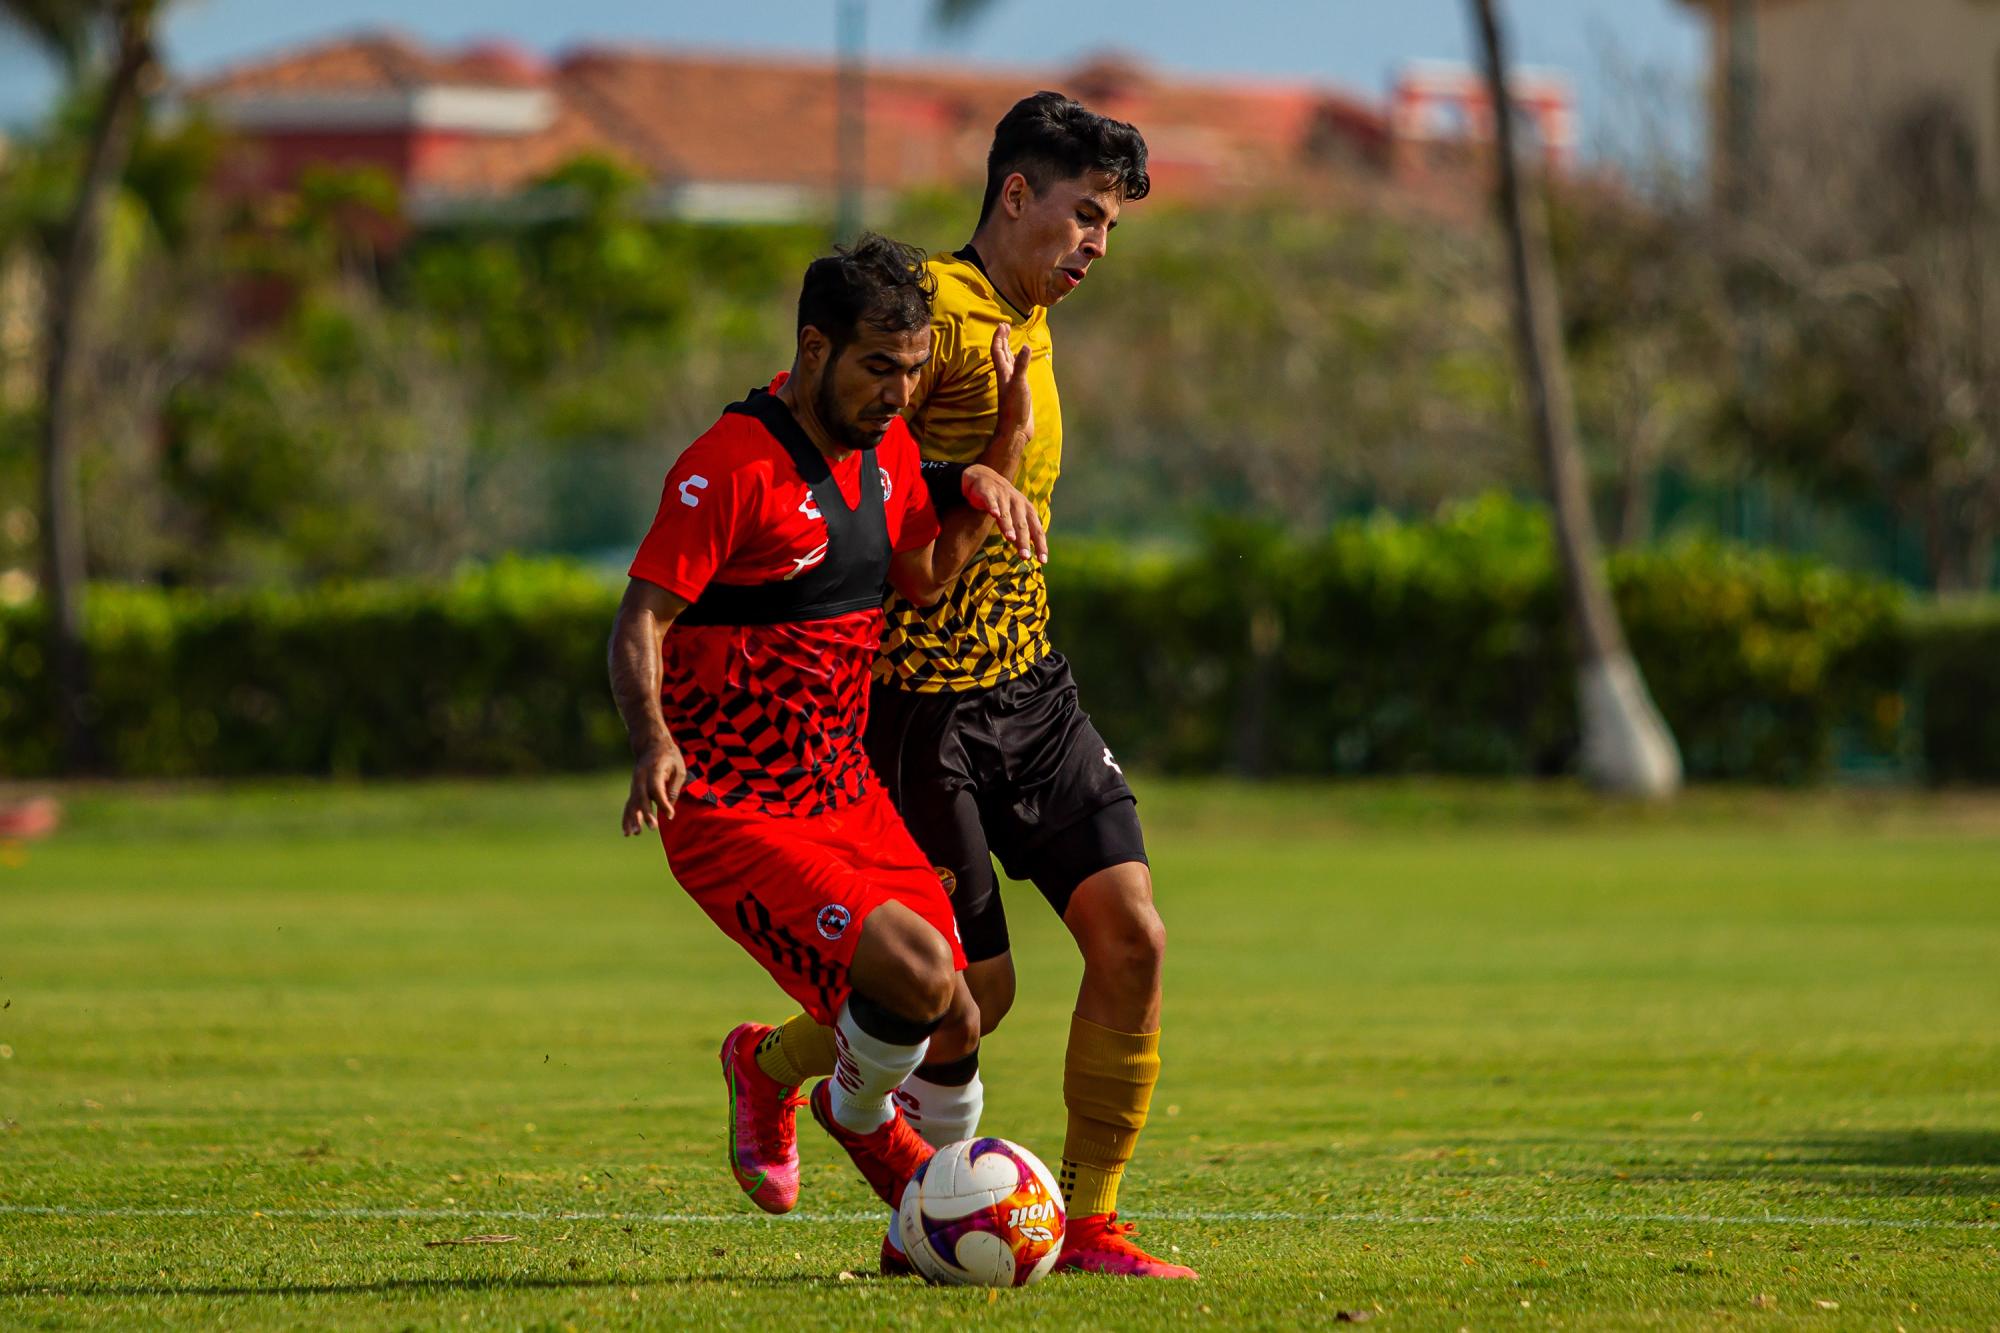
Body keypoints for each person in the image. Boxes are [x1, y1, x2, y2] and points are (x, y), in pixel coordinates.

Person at [724, 92, 1195, 1279]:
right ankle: (782, 1076)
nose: (1095, 244)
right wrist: (968, 468)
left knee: (1132, 937)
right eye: (1082, 215)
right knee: (970, 994)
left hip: (1032, 688)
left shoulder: (1028, 321)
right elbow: (844, 451)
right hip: (916, 707)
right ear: (1015, 193)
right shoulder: (925, 310)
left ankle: (1091, 1222)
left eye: (1111, 226)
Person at [609, 233, 1044, 1218]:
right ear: (814, 349)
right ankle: (886, 1154)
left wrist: (1002, 448)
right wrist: (652, 742)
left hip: (841, 791)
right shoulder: (729, 467)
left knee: (959, 1014)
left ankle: (789, 1095)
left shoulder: (887, 450)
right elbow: (640, 619)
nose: (899, 393)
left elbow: (923, 577)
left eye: (913, 370)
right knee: (917, 975)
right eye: (878, 367)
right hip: (733, 806)